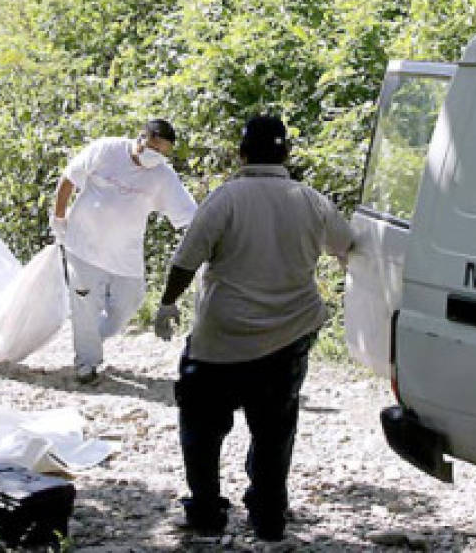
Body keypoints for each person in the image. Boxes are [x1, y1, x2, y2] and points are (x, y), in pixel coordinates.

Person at [153, 115, 354, 542]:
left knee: (201, 430)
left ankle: (206, 512)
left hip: (220, 342)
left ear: (241, 154)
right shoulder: (311, 200)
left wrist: (168, 303)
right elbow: (347, 244)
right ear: (287, 154)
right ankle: (268, 517)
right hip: (287, 337)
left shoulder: (225, 199)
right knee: (274, 432)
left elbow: (186, 260)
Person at [50, 119, 197, 384]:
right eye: (155, 148)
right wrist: (58, 220)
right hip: (83, 246)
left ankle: (92, 338)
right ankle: (87, 363)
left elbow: (188, 215)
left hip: (125, 256)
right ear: (142, 138)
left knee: (128, 305)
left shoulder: (162, 176)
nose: (157, 156)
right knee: (85, 304)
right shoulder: (107, 150)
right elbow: (69, 180)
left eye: (164, 153)